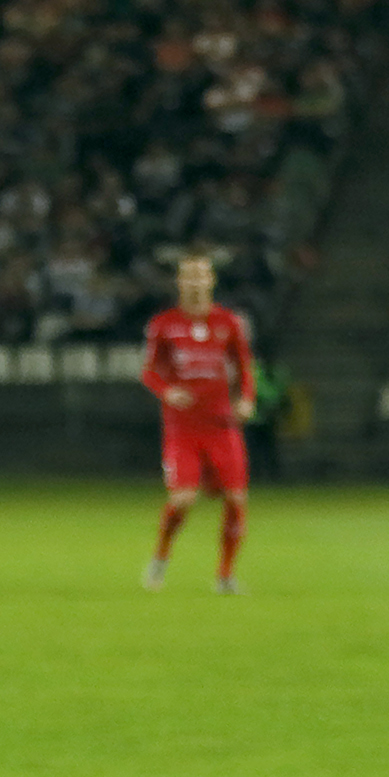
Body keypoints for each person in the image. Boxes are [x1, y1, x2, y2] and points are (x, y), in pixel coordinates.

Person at [140, 251, 255, 594]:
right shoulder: (164, 324)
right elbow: (149, 372)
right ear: (179, 282)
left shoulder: (228, 322)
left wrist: (247, 398)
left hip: (221, 424)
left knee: (236, 498)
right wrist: (167, 391)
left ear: (211, 280)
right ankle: (161, 557)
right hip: (183, 428)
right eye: (189, 276)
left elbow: (244, 366)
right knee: (183, 500)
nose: (195, 282)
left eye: (201, 275)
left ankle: (225, 576)